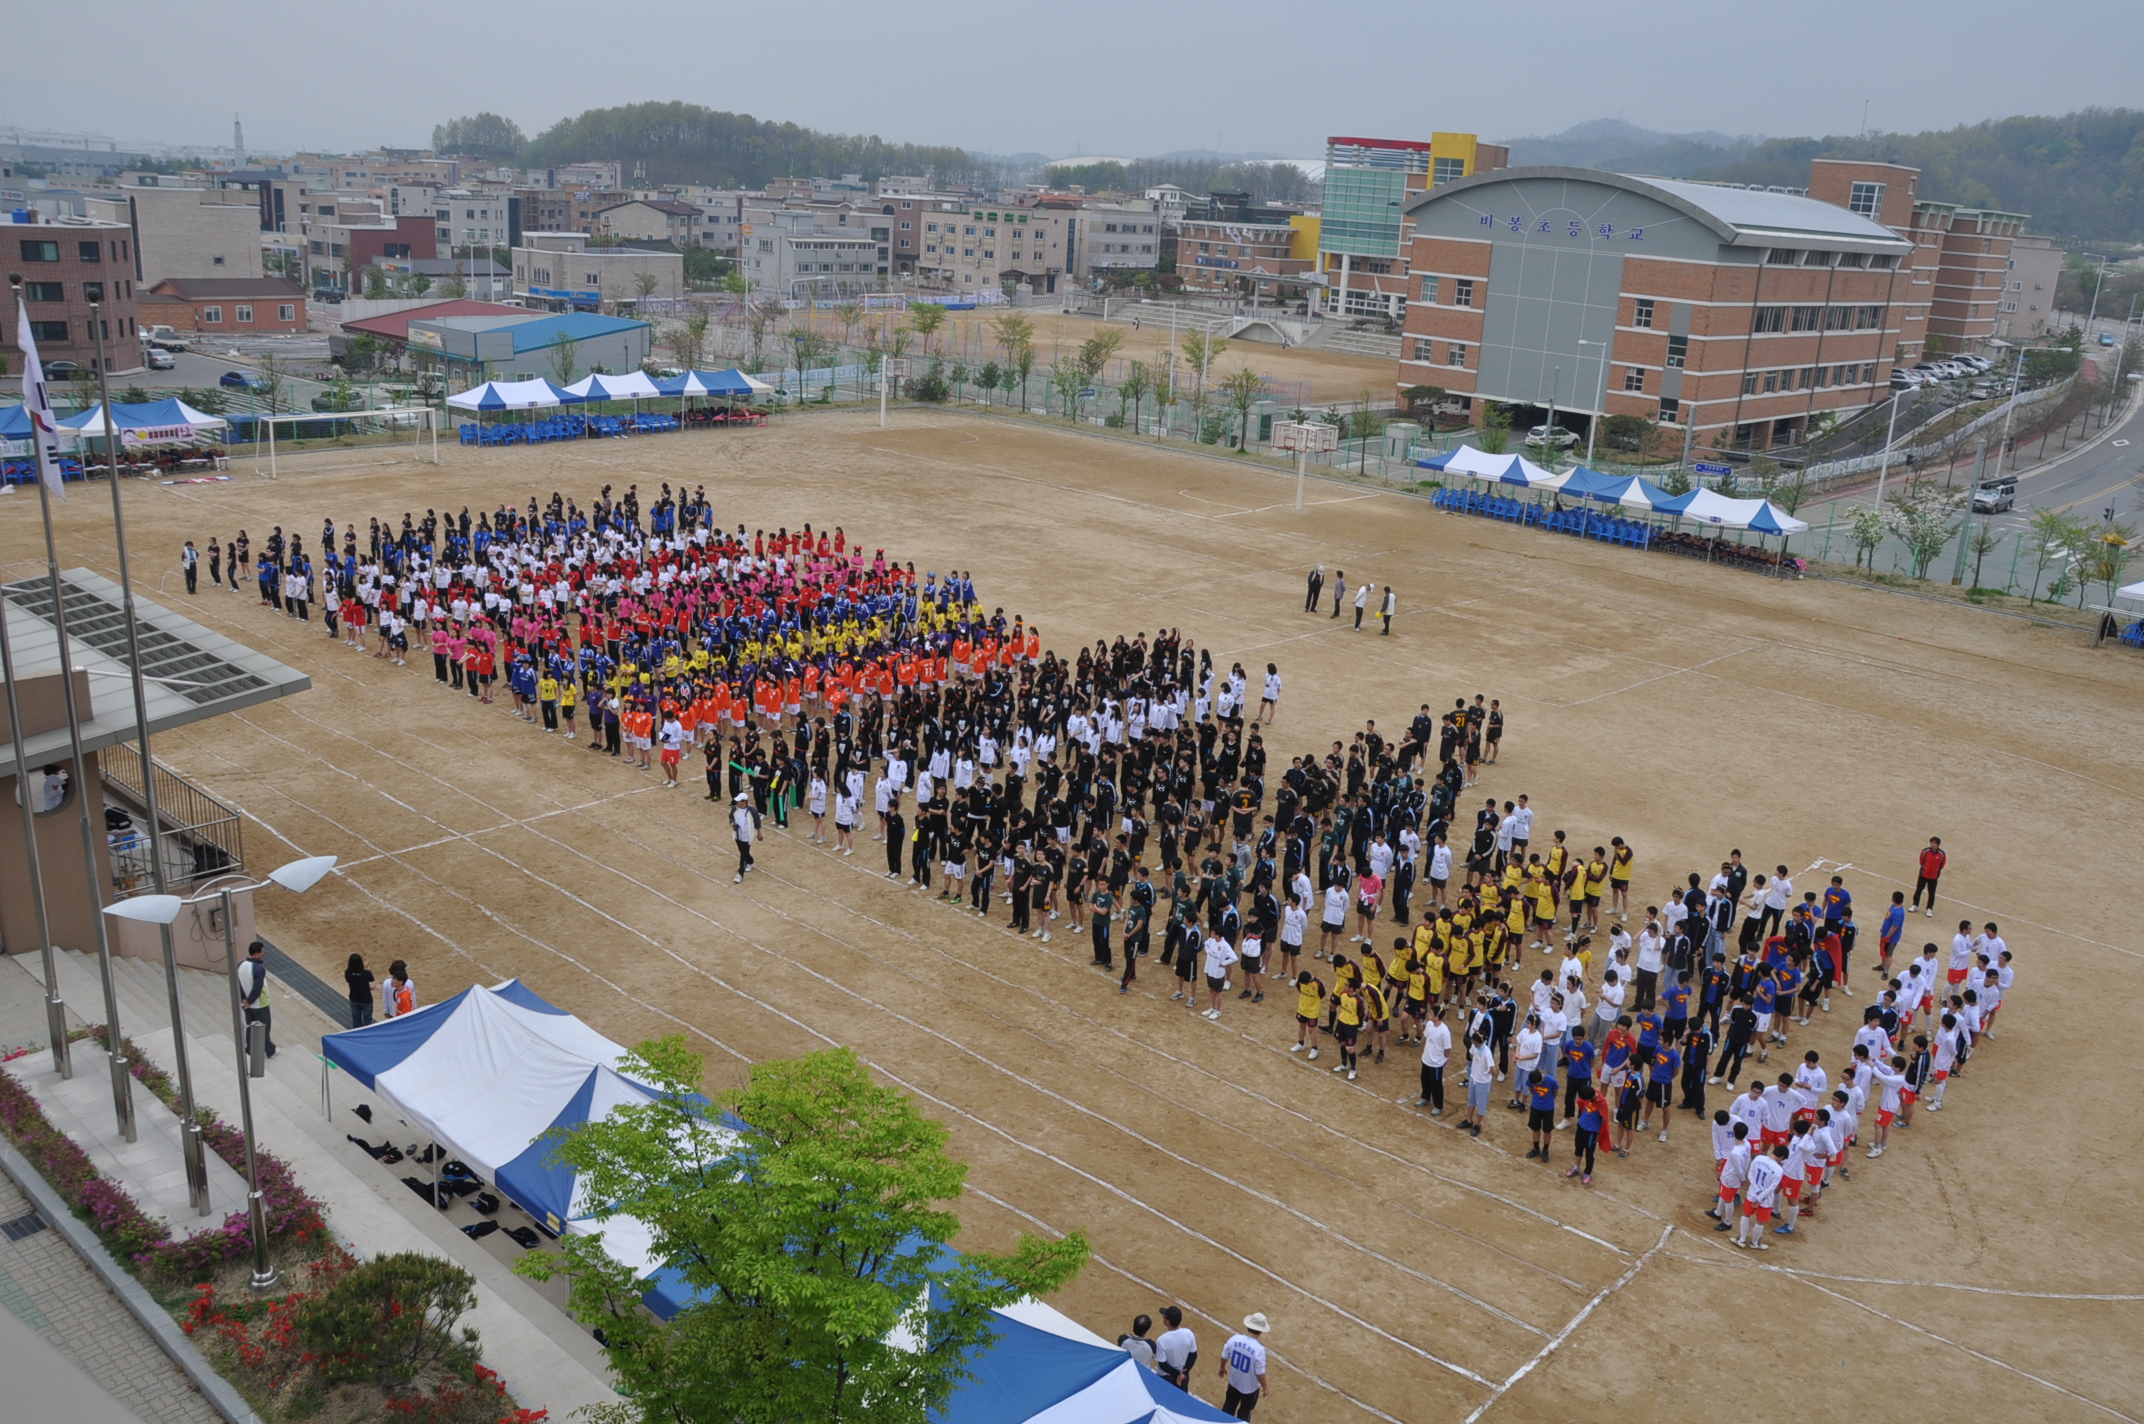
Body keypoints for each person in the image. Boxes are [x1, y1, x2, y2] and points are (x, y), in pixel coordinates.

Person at [1218, 1314, 1269, 1420]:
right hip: (1249, 1389)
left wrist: (1222, 1368)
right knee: (1244, 1413)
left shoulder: (1234, 1339)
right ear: (1261, 1331)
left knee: (1228, 1407)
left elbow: (1224, 1355)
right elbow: (1260, 1373)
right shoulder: (1259, 1350)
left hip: (1234, 1382)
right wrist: (1265, 1387)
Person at [237, 939, 277, 1057]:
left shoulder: (240, 965)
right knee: (263, 1028)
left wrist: (244, 999)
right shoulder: (259, 969)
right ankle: (270, 1051)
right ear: (256, 953)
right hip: (259, 1004)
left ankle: (249, 1049)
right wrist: (250, 1000)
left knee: (250, 1026)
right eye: (262, 951)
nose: (263, 953)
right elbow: (257, 987)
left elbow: (238, 983)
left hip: (245, 1004)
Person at [1154, 1306, 1198, 1392]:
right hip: (1183, 1377)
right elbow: (1193, 1355)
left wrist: (1178, 1374)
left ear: (1167, 1322)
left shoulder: (1161, 1340)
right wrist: (1183, 1373)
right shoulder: (1188, 1333)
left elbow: (1163, 1364)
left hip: (1166, 1377)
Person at [732, 790, 758, 882]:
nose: (737, 802)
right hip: (738, 834)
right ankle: (750, 861)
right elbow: (731, 816)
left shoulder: (752, 810)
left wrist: (759, 833)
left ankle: (740, 874)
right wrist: (732, 823)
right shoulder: (735, 808)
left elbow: (757, 822)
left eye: (739, 801)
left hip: (747, 836)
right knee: (742, 851)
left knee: (743, 854)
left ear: (744, 802)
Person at [344, 953, 376, 1028]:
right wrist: (367, 966)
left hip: (354, 999)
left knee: (356, 1020)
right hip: (366, 1000)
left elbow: (357, 975)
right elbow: (371, 978)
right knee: (368, 1020)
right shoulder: (366, 973)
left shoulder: (347, 973)